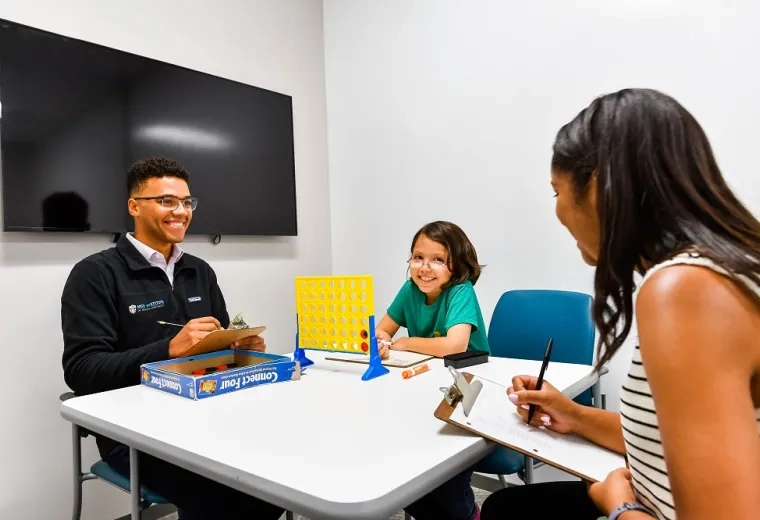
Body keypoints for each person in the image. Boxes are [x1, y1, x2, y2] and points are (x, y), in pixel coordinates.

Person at [481, 88, 760, 520]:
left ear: (596, 188)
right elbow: (669, 438)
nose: (556, 211)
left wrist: (618, 505)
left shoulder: (684, 289)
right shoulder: (724, 270)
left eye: (557, 191)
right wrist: (573, 414)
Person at [61, 157, 283, 520]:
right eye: (167, 201)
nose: (181, 211)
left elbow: (215, 348)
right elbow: (82, 371)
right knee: (234, 496)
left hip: (210, 414)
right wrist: (168, 349)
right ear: (134, 206)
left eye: (186, 202)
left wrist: (237, 347)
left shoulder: (200, 270)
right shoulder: (94, 274)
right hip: (135, 434)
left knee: (279, 472)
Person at [375, 220, 490, 520]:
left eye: (438, 260)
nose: (425, 268)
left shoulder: (460, 291)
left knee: (442, 453)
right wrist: (383, 341)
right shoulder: (409, 289)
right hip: (426, 384)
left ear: (457, 266)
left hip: (469, 385)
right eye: (418, 257)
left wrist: (404, 343)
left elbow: (454, 345)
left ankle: (465, 509)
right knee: (401, 440)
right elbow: (382, 331)